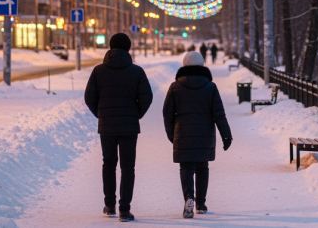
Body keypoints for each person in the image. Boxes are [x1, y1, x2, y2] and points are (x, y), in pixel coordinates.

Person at [85, 33, 153, 223]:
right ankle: (125, 210)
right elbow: (147, 97)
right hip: (129, 127)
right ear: (128, 48)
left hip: (106, 125)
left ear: (110, 47)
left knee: (108, 163)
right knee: (127, 167)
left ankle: (109, 205)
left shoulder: (98, 71)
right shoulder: (137, 72)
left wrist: (102, 114)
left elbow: (89, 97)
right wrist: (135, 114)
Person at [163, 51, 232, 219]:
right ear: (202, 65)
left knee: (186, 167)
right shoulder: (210, 87)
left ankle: (189, 197)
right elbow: (219, 114)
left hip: (183, 133)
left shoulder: (175, 87)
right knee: (202, 166)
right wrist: (226, 135)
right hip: (204, 134)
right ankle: (200, 204)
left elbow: (167, 113)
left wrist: (172, 135)